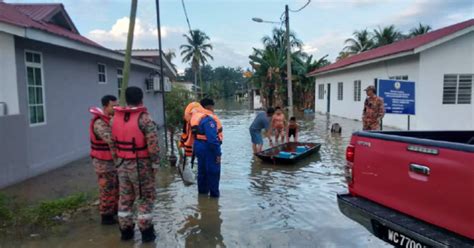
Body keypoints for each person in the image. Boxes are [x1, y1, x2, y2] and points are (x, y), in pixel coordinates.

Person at [111, 86, 160, 242]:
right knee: (145, 198)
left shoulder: (114, 118)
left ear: (125, 99)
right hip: (141, 165)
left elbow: (112, 143)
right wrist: (155, 164)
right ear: (141, 100)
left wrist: (117, 161)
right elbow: (153, 145)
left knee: (125, 198)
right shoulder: (145, 118)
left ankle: (126, 232)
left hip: (122, 164)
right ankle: (147, 234)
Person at [89, 95, 119, 225]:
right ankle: (106, 217)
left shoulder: (110, 120)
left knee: (115, 188)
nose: (115, 108)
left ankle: (114, 212)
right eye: (113, 106)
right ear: (105, 106)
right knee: (106, 190)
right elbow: (111, 139)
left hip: (112, 163)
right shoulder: (99, 123)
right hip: (103, 163)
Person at [190, 98, 223, 198]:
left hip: (199, 147)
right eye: (213, 107)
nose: (213, 109)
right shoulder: (209, 120)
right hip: (209, 148)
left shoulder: (196, 117)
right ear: (209, 107)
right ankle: (214, 199)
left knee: (202, 173)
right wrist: (218, 153)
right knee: (213, 173)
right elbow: (212, 140)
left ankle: (202, 197)